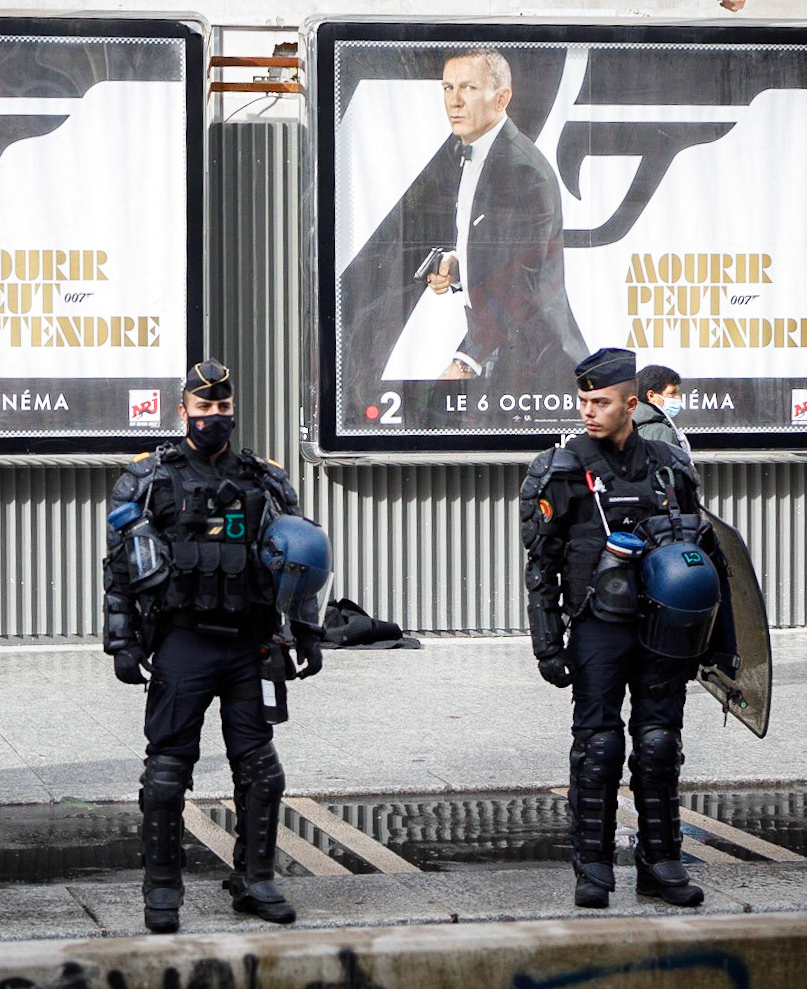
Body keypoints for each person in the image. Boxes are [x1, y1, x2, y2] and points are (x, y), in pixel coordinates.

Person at [103, 358, 327, 934]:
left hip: (251, 643)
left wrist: (306, 630)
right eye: (203, 408)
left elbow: (299, 558)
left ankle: (254, 879)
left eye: (223, 408)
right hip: (183, 643)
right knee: (168, 772)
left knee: (261, 770)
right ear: (184, 411)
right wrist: (120, 641)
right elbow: (119, 567)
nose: (214, 418)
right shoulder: (147, 478)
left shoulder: (266, 478)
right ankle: (161, 891)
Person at [519, 347, 727, 910]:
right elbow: (540, 564)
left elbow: (701, 550)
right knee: (599, 747)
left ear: (630, 404)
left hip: (664, 628)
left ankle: (661, 861)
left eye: (601, 402)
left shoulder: (668, 463)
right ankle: (593, 865)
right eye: (583, 401)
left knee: (659, 745)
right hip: (596, 626)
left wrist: (714, 642)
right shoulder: (558, 467)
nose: (588, 411)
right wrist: (548, 645)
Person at [342, 48, 585, 397]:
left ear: (502, 98)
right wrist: (458, 266)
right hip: (503, 356)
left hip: (535, 363)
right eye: (447, 88)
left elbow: (520, 281)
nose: (454, 101)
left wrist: (466, 361)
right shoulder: (472, 153)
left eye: (468, 88)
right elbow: (496, 245)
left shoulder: (521, 171)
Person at [633, 364, 690, 455]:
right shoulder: (660, 432)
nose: (678, 398)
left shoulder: (623, 426)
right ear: (651, 395)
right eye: (672, 393)